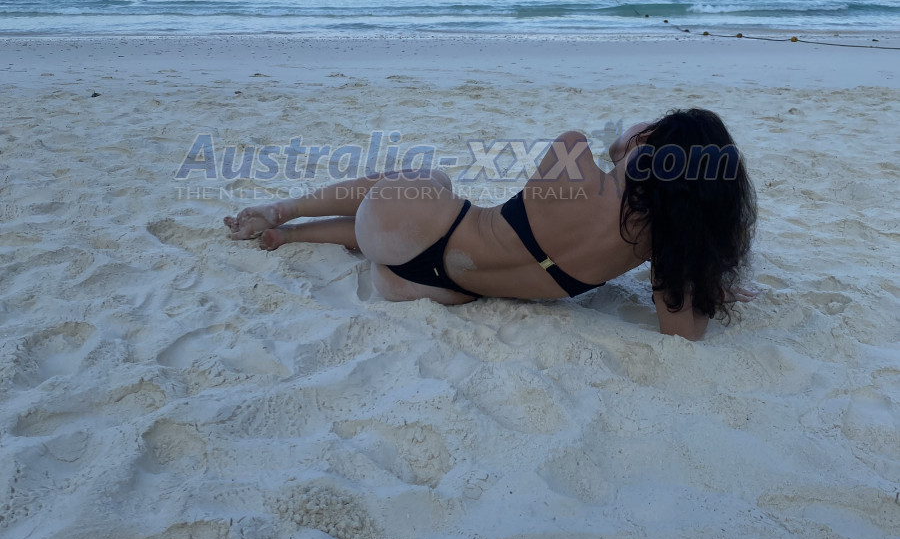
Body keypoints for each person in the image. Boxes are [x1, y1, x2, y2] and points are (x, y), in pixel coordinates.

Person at [224, 108, 757, 340]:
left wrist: (629, 140)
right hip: (430, 287)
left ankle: (287, 211)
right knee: (403, 231)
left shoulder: (573, 152)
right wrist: (704, 280)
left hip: (400, 226)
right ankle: (289, 235)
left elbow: (615, 149)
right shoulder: (665, 250)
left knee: (430, 180)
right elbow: (681, 334)